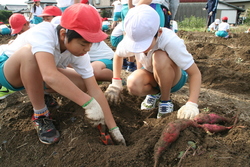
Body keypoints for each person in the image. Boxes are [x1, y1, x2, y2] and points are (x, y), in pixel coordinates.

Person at [0, 4, 125, 145]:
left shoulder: (81, 53)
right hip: (9, 72)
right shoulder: (43, 32)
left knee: (82, 83)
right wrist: (88, 103)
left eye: (90, 44)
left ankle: (42, 94)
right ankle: (40, 114)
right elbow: (49, 75)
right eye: (84, 44)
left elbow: (93, 88)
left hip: (38, 75)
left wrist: (113, 127)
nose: (87, 49)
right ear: (63, 34)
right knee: (29, 54)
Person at [105, 5, 201, 120]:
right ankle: (155, 94)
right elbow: (118, 55)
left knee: (159, 56)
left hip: (175, 79)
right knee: (133, 83)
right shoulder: (134, 36)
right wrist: (116, 82)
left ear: (159, 32)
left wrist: (192, 103)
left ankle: (165, 102)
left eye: (144, 44)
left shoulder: (170, 41)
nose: (140, 49)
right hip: (151, 75)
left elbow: (195, 73)